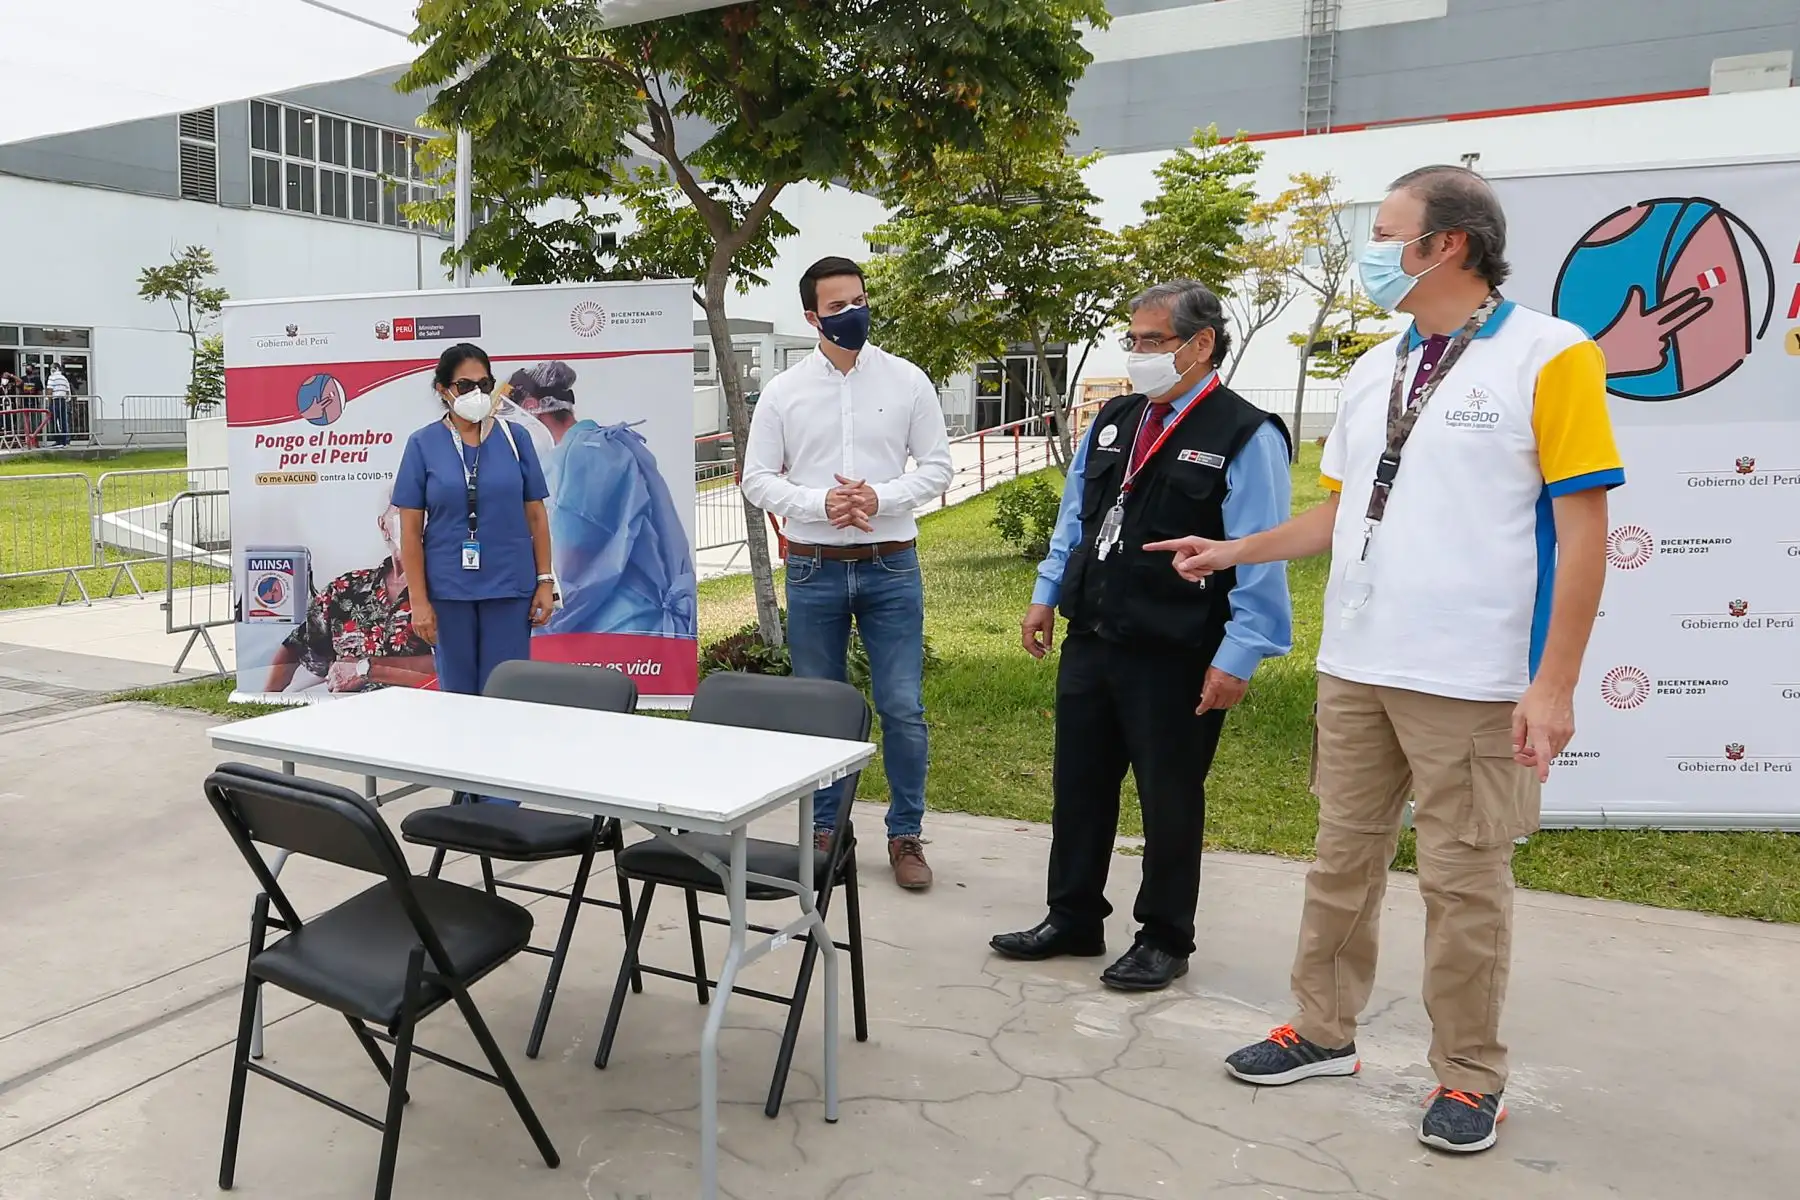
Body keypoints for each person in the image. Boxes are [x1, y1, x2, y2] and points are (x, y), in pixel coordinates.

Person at [1153, 166, 1621, 1155]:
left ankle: (1470, 1074)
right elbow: (1341, 510)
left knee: (1463, 885)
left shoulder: (1553, 355)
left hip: (1473, 679)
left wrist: (1555, 683)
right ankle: (1323, 1030)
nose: (1373, 252)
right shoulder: (1373, 366)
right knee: (1339, 861)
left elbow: (1585, 535)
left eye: (1386, 232)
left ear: (1447, 243)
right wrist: (1233, 550)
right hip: (1357, 663)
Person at [990, 280, 1294, 992]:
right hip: (1094, 635)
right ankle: (1072, 916)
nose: (1137, 355)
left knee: (1169, 797)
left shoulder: (1245, 435)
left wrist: (1240, 655)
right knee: (1080, 787)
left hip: (1179, 649)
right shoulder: (1116, 420)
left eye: (1152, 342)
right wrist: (1045, 594)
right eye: (1132, 340)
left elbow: (1260, 550)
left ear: (1201, 345)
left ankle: (1164, 935)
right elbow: (1078, 516)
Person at [740, 255, 954, 889]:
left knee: (902, 706)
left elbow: (938, 467)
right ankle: (826, 830)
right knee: (821, 710)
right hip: (813, 569)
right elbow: (756, 479)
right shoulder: (783, 392)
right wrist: (820, 503)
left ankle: (906, 833)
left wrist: (877, 498)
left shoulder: (907, 380)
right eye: (837, 307)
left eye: (858, 300)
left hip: (891, 565)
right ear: (811, 317)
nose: (852, 313)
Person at [394, 343, 557, 803]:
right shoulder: (422, 444)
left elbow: (536, 516)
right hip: (448, 593)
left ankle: (502, 798)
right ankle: (467, 795)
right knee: (460, 701)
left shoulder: (514, 438)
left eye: (484, 385)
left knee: (505, 696)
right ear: (444, 390)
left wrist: (545, 580)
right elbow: (410, 533)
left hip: (509, 587)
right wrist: (420, 602)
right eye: (466, 385)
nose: (477, 394)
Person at [510, 360, 697, 639]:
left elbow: (570, 556)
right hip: (622, 621)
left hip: (617, 628)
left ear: (531, 408)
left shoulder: (584, 454)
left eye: (510, 416)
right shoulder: (602, 445)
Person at [262, 499, 438, 695]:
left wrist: (366, 668)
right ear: (383, 525)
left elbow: (454, 664)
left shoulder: (448, 593)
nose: (413, 521)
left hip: (417, 709)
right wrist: (266, 698)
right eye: (401, 512)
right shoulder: (346, 588)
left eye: (423, 514)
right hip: (342, 713)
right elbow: (296, 646)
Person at [45, 365, 71, 447]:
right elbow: (67, 391)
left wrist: (49, 403)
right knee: (63, 421)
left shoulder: (52, 377)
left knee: (55, 421)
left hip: (55, 400)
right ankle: (64, 440)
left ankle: (58, 440)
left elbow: (50, 390)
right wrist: (66, 400)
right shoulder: (64, 378)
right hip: (63, 400)